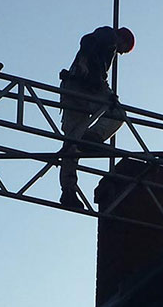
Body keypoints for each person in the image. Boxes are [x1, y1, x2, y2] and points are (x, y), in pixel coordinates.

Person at [58, 26, 135, 207]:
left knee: (72, 143)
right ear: (122, 40)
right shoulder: (109, 35)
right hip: (85, 86)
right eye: (124, 50)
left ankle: (68, 191)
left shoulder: (107, 46)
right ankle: (93, 137)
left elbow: (98, 68)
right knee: (117, 113)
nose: (121, 54)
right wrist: (84, 62)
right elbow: (87, 40)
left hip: (74, 86)